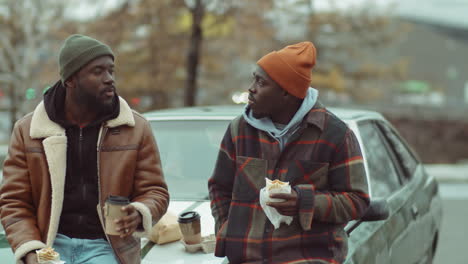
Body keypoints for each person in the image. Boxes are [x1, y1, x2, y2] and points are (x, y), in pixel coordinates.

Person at [0, 34, 169, 264]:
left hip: (107, 247)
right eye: (98, 71)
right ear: (70, 79)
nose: (109, 79)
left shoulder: (135, 127)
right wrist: (31, 250)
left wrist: (139, 212)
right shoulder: (29, 130)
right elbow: (14, 201)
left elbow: (155, 191)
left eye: (111, 71)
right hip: (49, 244)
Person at [208, 42, 370, 264]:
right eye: (254, 79)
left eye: (261, 82)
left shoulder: (336, 134)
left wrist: (305, 202)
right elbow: (219, 187)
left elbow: (357, 201)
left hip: (308, 259)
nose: (251, 88)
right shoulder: (239, 130)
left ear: (287, 92)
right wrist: (227, 228)